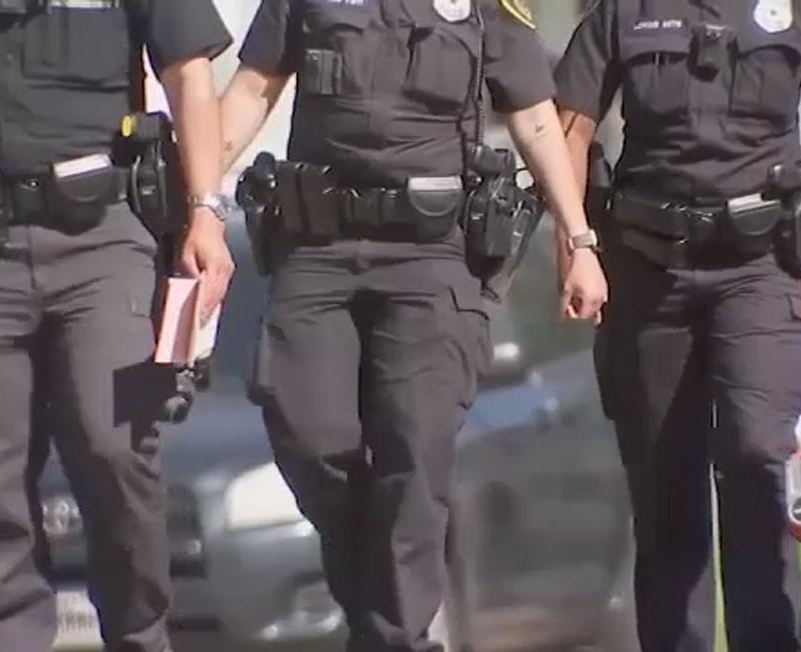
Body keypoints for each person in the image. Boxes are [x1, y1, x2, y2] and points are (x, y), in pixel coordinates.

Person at [218, 0, 608, 648]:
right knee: (310, 439)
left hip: (431, 256)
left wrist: (579, 237)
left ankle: (393, 636)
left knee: (414, 449)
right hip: (317, 250)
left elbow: (536, 117)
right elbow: (252, 90)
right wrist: (199, 200)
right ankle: (378, 616)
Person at [0, 0, 234, 649]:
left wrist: (205, 209)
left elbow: (188, 73)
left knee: (114, 445)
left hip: (103, 238)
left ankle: (139, 634)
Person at [554, 0, 801, 649]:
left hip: (763, 265)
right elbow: (567, 126)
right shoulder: (623, 12)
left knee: (756, 452)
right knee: (664, 487)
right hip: (649, 272)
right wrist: (576, 248)